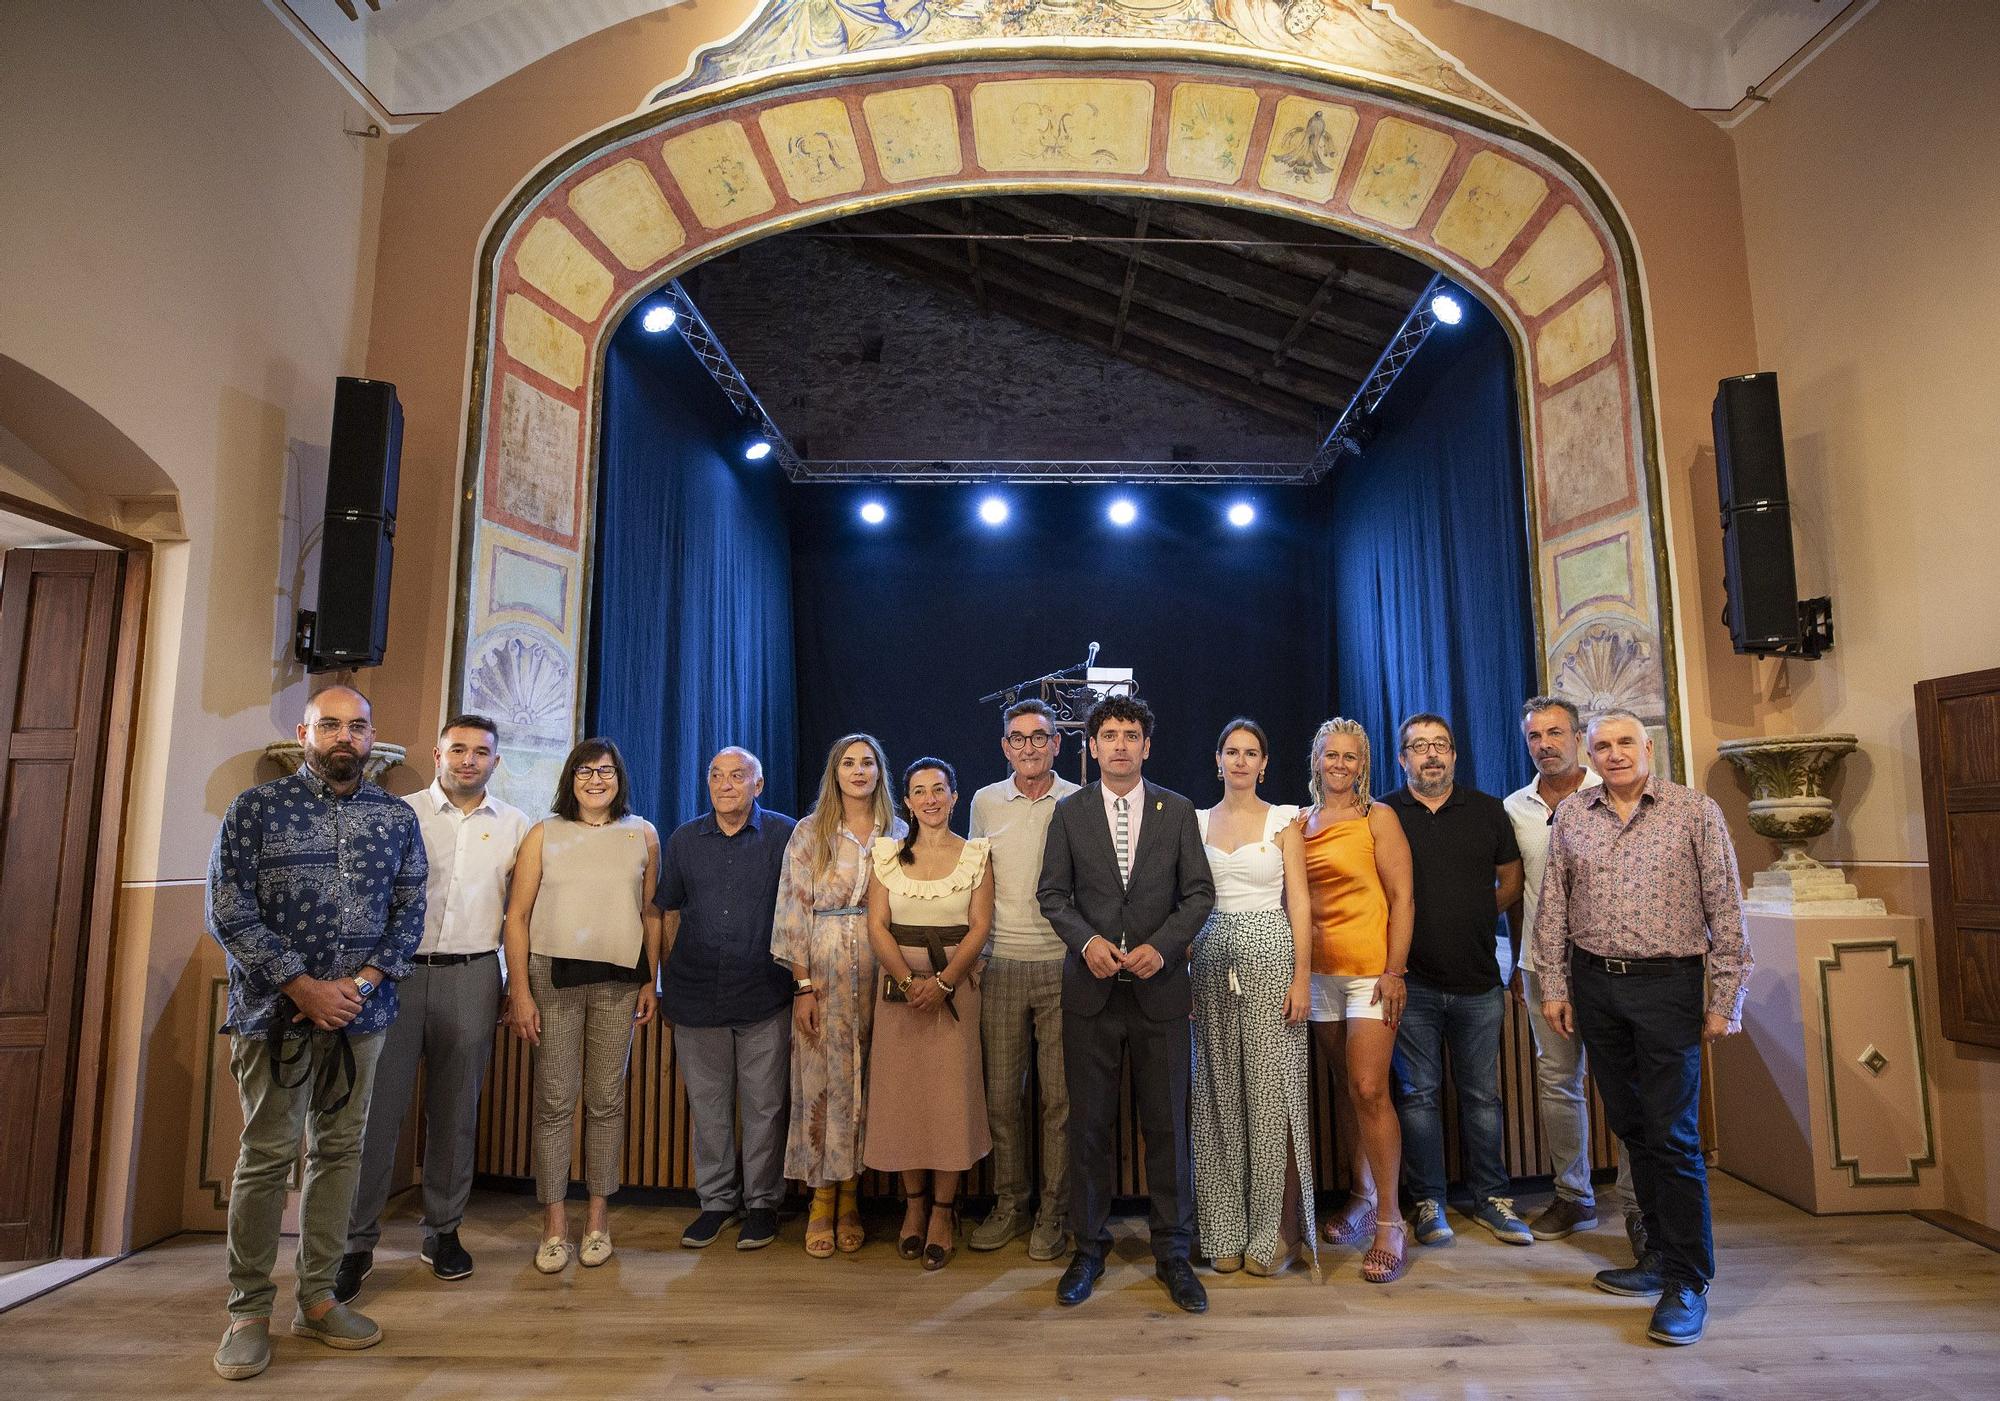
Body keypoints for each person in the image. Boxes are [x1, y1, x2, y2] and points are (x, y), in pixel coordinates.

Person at [204, 685, 425, 1381]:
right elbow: (229, 909)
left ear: (371, 736)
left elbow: (411, 909)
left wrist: (355, 988)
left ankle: (320, 1298)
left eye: (357, 725)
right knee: (268, 1157)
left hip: (362, 1018)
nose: (343, 736)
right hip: (273, 1016)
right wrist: (302, 984)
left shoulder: (395, 818)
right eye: (329, 724)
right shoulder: (256, 809)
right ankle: (247, 1311)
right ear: (304, 731)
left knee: (340, 1154)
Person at [1535, 710, 1751, 1347]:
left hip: (1668, 988)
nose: (1614, 754)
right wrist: (1556, 986)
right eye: (1602, 746)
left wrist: (1725, 999)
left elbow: (1726, 908)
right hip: (1596, 986)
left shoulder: (1694, 812)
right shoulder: (1574, 815)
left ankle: (1688, 1281)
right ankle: (1656, 1256)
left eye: (1625, 742)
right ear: (1589, 754)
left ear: (1648, 747)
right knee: (1631, 1125)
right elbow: (1554, 907)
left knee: (1673, 1136)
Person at [337, 714, 528, 1304]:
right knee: (375, 1113)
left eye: (481, 752)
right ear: (438, 753)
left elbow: (519, 914)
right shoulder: (399, 812)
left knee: (455, 1110)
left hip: (472, 974)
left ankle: (443, 1232)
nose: (469, 760)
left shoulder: (518, 825)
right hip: (393, 974)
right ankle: (355, 1242)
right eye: (458, 749)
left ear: (496, 761)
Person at [1037, 694, 1216, 1314]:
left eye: (1129, 734)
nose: (1118, 744)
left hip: (1159, 992)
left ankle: (1173, 1253)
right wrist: (1086, 942)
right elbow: (1053, 895)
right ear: (1091, 746)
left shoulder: (1179, 810)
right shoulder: (1070, 812)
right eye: (1107, 734)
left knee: (1167, 1127)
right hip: (1090, 994)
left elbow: (1198, 895)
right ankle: (1088, 1249)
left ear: (1146, 745)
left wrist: (1162, 948)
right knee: (1088, 1130)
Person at [501, 738, 661, 1274]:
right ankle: (554, 1226)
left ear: (620, 778)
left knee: (605, 1100)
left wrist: (649, 981)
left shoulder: (643, 834)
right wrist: (518, 990)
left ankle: (597, 1219)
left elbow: (651, 915)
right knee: (553, 1100)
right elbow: (517, 917)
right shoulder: (543, 833)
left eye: (606, 771)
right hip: (553, 977)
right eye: (586, 771)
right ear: (570, 778)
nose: (596, 780)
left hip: (620, 980)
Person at [1382, 713, 1527, 1248]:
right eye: (1419, 747)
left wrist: (1471, 908)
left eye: (1440, 745)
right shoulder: (1385, 814)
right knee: (1418, 1096)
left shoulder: (1488, 811)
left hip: (1478, 983)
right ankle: (1428, 1203)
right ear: (1402, 759)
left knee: (1482, 1098)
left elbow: (1512, 879)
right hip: (1411, 983)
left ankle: (1493, 1200)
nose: (1431, 755)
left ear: (1455, 755)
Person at [1502, 697, 1638, 1251]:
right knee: (1558, 1081)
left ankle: (1637, 1202)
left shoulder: (1612, 796)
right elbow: (1517, 893)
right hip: (1542, 966)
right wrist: (1515, 960)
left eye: (1555, 733)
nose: (1545, 744)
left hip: (1610, 966)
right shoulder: (1515, 808)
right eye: (1535, 736)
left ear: (1578, 737)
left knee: (1626, 1085)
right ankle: (1574, 1195)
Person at [654, 748, 798, 1252]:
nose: (725, 784)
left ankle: (762, 1204)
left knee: (765, 1106)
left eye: (738, 776)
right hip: (695, 995)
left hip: (766, 993)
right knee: (709, 1106)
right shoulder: (684, 839)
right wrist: (668, 976)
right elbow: (668, 910)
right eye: (716, 775)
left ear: (758, 785)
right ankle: (716, 1202)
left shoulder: (786, 835)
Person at [1190, 718, 1318, 1280]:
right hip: (1209, 963)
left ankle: (1270, 1235)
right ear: (1217, 759)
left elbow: (1301, 905)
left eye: (1252, 753)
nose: (1241, 761)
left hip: (1273, 958)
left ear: (1264, 763)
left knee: (1270, 1101)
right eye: (1232, 752)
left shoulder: (1285, 819)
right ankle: (1223, 1229)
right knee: (1218, 1097)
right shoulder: (1192, 823)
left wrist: (1302, 979)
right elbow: (1184, 904)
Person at [772, 732, 904, 1257]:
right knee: (820, 1086)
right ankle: (819, 1200)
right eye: (848, 762)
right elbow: (791, 911)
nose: (858, 770)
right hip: (822, 980)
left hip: (883, 977)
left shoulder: (898, 832)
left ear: (879, 772)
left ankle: (853, 1197)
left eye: (867, 762)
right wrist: (802, 985)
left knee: (868, 1083)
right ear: (835, 772)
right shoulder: (810, 833)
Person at [864, 758, 995, 1269]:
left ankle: (944, 1210)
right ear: (908, 802)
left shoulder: (977, 855)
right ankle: (914, 1207)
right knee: (904, 1099)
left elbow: (980, 926)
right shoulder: (888, 856)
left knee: (948, 1099)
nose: (931, 799)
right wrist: (906, 980)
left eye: (939, 789)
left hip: (955, 987)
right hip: (899, 987)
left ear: (954, 796)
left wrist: (942, 983)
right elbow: (877, 925)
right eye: (920, 791)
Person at [1299, 717, 1416, 1283]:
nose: (1340, 764)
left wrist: (1395, 971)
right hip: (1319, 976)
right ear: (1316, 759)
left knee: (1370, 1088)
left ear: (1363, 764)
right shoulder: (1301, 823)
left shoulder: (1380, 818)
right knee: (1349, 1089)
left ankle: (1391, 1221)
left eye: (1351, 756)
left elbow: (1403, 898)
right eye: (1332, 755)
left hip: (1372, 973)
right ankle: (1361, 1195)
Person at [967, 699, 1078, 1260]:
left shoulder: (1079, 801)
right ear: (1005, 746)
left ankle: (1053, 1215)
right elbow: (976, 880)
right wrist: (979, 953)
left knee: (1059, 1101)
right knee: (1003, 1099)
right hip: (1002, 964)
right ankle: (1011, 1205)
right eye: (1018, 738)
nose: (1029, 746)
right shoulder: (986, 802)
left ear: (1058, 744)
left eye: (1040, 737)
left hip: (1063, 967)